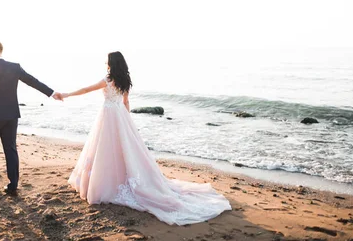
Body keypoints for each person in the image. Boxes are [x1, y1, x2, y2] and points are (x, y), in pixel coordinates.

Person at [62, 51, 231, 225]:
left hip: (108, 116)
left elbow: (85, 89)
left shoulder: (108, 80)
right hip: (120, 115)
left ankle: (104, 183)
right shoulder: (124, 80)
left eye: (107, 61)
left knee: (105, 149)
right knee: (123, 149)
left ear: (111, 63)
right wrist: (127, 122)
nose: (106, 63)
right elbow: (126, 102)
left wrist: (67, 94)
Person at [0, 41, 63, 196]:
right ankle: (12, 185)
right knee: (10, 149)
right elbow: (33, 81)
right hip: (11, 116)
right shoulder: (14, 67)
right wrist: (52, 93)